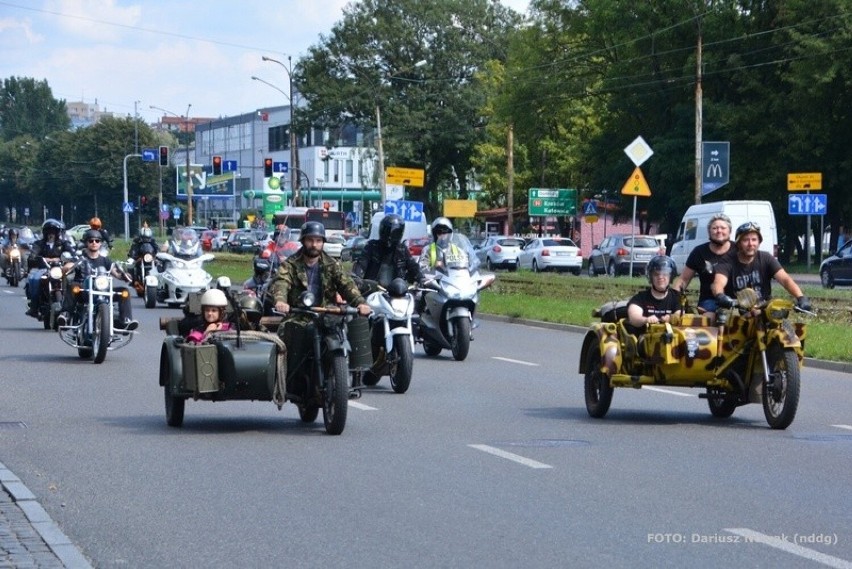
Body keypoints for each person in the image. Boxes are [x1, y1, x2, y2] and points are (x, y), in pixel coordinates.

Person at [271, 221, 370, 319]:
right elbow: (281, 282)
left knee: (345, 331)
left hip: (327, 317)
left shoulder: (332, 264)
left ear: (323, 242)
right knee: (287, 331)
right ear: (303, 241)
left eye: (318, 240)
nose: (314, 244)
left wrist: (360, 303)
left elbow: (346, 284)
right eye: (310, 240)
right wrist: (281, 301)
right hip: (298, 315)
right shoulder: (290, 264)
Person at [711, 222, 811, 311]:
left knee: (785, 329)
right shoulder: (727, 261)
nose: (750, 244)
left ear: (759, 242)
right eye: (746, 240)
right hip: (737, 309)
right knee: (722, 324)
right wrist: (720, 296)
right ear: (738, 243)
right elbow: (718, 283)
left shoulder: (766, 258)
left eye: (754, 240)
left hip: (764, 308)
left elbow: (785, 279)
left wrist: (801, 297)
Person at [58, 229, 138, 330]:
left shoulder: (105, 260)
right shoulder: (80, 258)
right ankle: (66, 315)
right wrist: (70, 266)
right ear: (86, 243)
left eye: (97, 241)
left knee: (124, 292)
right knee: (73, 286)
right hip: (84, 290)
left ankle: (126, 321)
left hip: (102, 290)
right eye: (91, 241)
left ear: (100, 243)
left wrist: (124, 275)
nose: (94, 243)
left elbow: (115, 272)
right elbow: (68, 266)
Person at [671, 213, 737, 319]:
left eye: (723, 228)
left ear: (729, 231)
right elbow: (683, 279)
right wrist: (671, 300)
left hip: (736, 300)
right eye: (715, 228)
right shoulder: (699, 252)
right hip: (709, 302)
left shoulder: (738, 250)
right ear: (709, 232)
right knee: (708, 319)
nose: (719, 231)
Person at [352, 213, 425, 290]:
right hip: (374, 291)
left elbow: (413, 266)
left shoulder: (402, 250)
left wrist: (421, 278)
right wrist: (357, 278)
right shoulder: (372, 247)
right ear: (381, 230)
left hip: (397, 292)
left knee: (416, 299)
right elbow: (361, 264)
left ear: (400, 233)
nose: (390, 236)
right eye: (387, 231)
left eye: (394, 233)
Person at [26, 219, 75, 317]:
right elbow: (32, 255)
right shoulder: (39, 244)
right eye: (49, 231)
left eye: (53, 231)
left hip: (60, 269)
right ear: (45, 232)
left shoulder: (64, 244)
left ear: (58, 233)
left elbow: (72, 254)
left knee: (73, 281)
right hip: (43, 269)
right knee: (34, 279)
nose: (51, 234)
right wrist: (38, 258)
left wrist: (68, 258)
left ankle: (72, 306)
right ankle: (34, 306)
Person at [626, 255, 682, 336]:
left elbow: (680, 314)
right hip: (645, 341)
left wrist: (672, 318)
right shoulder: (640, 298)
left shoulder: (677, 297)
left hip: (672, 341)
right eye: (656, 274)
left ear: (671, 276)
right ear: (651, 277)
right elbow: (634, 317)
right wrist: (646, 320)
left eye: (665, 274)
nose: (660, 277)